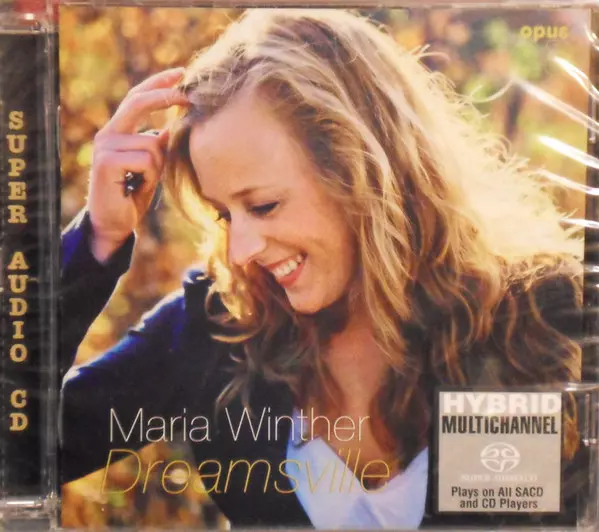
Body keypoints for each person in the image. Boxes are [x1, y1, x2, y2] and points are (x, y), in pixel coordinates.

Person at [60, 9, 584, 529]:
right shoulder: (222, 326)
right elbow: (28, 449)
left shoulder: (528, 317)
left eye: (263, 206)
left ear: (361, 169)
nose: (241, 250)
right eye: (225, 214)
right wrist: (97, 241)